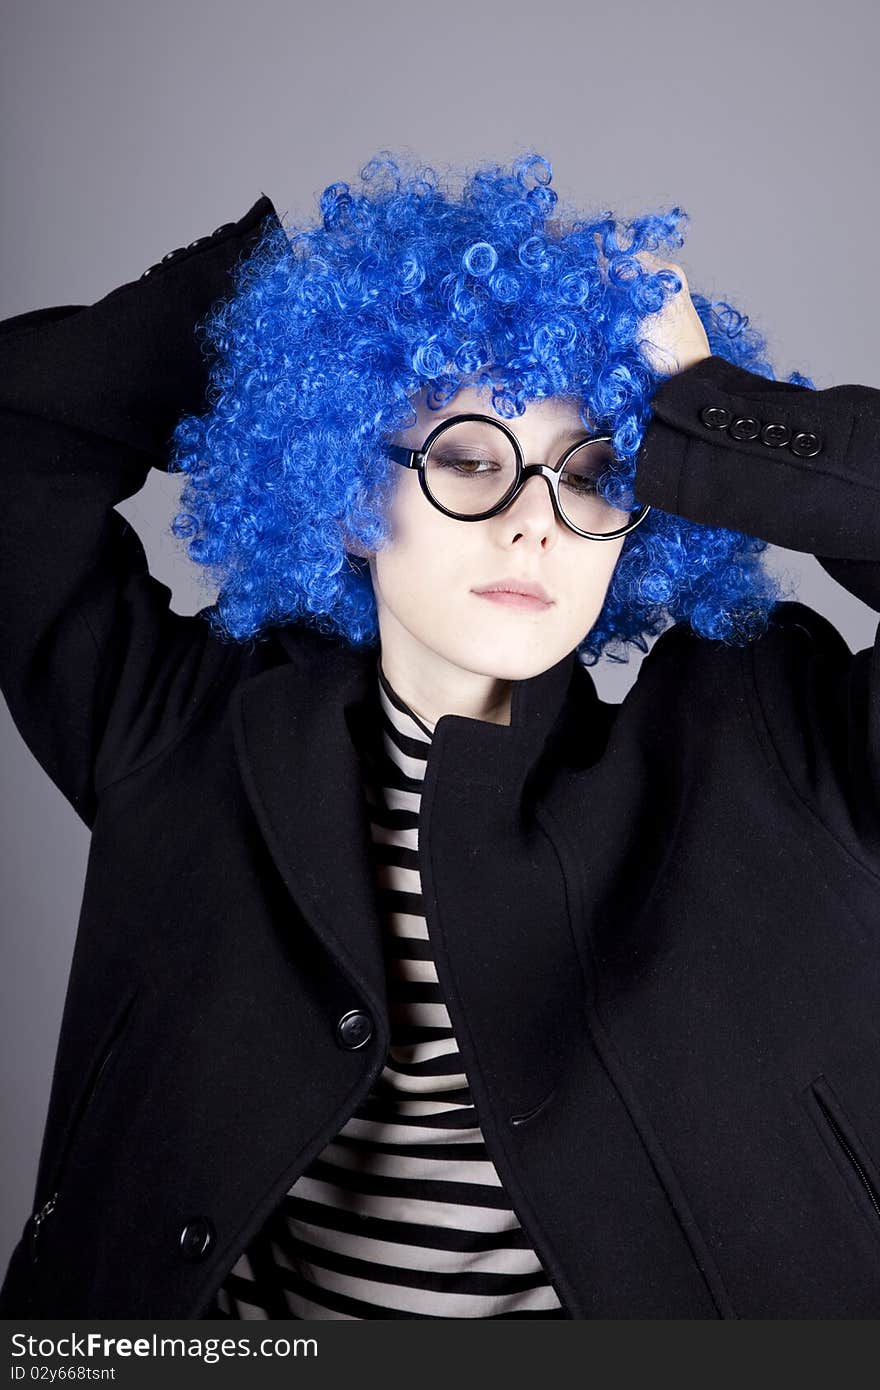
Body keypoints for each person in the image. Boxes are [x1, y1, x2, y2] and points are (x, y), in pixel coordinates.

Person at [1, 152, 879, 1320]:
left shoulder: (771, 750)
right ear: (347, 489)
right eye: (469, 460)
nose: (534, 527)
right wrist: (258, 309)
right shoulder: (180, 730)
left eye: (598, 473)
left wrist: (712, 411)